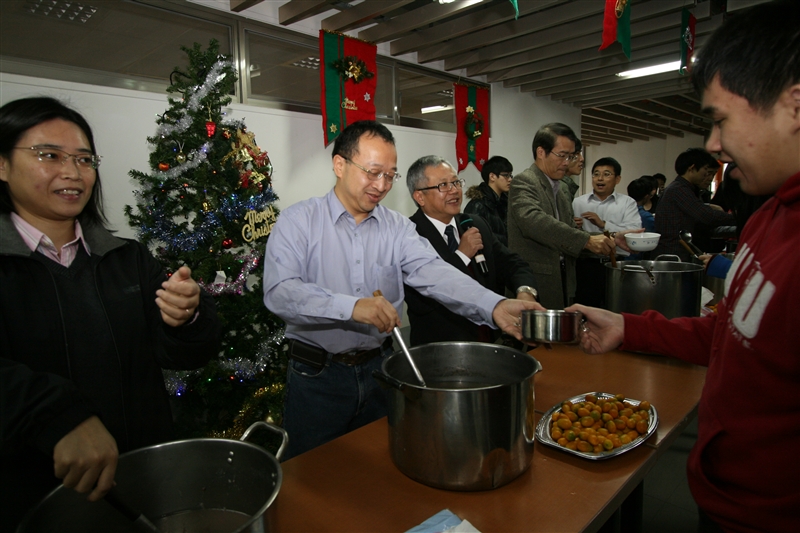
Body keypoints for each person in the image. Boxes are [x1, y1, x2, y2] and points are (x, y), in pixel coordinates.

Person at [567, 1, 800, 531]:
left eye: (720, 121)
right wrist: (629, 326)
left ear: (793, 104)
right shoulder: (769, 218)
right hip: (723, 496)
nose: (714, 146)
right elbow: (730, 333)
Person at [0, 97, 221, 530]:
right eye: (49, 155)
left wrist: (188, 315)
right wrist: (58, 417)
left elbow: (185, 353)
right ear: (3, 165)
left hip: (141, 481)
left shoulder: (126, 258)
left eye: (84, 159)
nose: (72, 172)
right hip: (35, 498)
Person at [262, 121, 542, 460]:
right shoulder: (298, 222)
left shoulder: (397, 228)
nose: (381, 185)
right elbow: (280, 292)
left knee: (382, 466)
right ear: (339, 165)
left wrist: (493, 305)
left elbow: (434, 273)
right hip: (318, 377)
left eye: (389, 175)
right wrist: (351, 307)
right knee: (312, 472)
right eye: (372, 172)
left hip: (380, 369)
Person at [404, 155, 539, 346]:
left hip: (489, 340)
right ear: (420, 197)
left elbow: (512, 263)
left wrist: (525, 291)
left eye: (456, 182)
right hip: (439, 347)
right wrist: (462, 255)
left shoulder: (474, 223)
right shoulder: (409, 235)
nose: (454, 191)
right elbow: (420, 301)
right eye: (443, 185)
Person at [507, 123, 627, 309]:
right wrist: (587, 241)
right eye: (562, 155)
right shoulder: (525, 181)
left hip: (563, 279)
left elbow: (569, 232)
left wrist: (610, 238)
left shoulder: (560, 190)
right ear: (541, 152)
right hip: (535, 282)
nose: (567, 162)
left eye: (570, 156)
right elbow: (534, 222)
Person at [572, 157, 641, 307]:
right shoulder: (578, 202)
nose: (600, 178)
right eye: (596, 174)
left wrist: (603, 224)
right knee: (586, 308)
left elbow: (633, 232)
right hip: (585, 266)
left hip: (616, 265)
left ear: (617, 179)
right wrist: (572, 225)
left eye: (606, 174)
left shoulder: (627, 203)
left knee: (615, 307)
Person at [652, 148, 734, 260]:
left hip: (677, 252)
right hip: (673, 253)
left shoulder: (685, 189)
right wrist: (738, 218)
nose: (707, 176)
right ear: (692, 168)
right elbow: (706, 215)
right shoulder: (678, 189)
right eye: (706, 170)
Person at [464, 155, 513, 246]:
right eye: (506, 175)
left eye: (510, 175)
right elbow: (475, 238)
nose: (510, 179)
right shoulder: (478, 204)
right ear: (492, 176)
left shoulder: (507, 202)